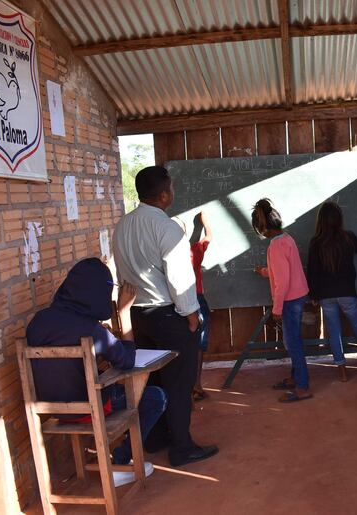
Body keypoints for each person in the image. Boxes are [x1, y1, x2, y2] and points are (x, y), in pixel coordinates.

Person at [26, 258, 166, 486]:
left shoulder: (38, 321)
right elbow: (127, 360)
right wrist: (124, 313)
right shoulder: (91, 330)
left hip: (50, 410)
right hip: (89, 410)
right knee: (155, 397)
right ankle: (118, 463)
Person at [113, 166, 218, 468]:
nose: (172, 192)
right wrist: (191, 315)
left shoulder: (123, 226)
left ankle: (156, 438)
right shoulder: (167, 228)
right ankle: (182, 447)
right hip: (168, 314)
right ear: (163, 194)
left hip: (138, 315)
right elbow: (179, 277)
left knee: (153, 380)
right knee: (180, 383)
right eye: (170, 188)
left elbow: (123, 274)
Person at [307, 201, 357, 382]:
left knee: (334, 331)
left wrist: (314, 295)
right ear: (339, 219)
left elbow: (312, 271)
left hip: (326, 295)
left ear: (321, 221)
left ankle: (343, 372)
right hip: (347, 292)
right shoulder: (348, 237)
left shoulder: (316, 242)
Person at [252, 198, 312, 403]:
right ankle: (297, 378)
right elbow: (284, 271)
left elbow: (283, 280)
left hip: (289, 299)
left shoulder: (276, 246)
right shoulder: (286, 238)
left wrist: (277, 308)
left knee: (292, 343)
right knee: (293, 340)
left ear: (263, 227)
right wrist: (265, 272)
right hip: (297, 294)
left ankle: (303, 387)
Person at [190, 211, 213, 401]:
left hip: (175, 302)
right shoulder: (194, 251)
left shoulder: (166, 255)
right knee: (199, 344)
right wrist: (205, 222)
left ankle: (187, 385)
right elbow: (209, 237)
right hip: (195, 299)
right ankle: (196, 384)